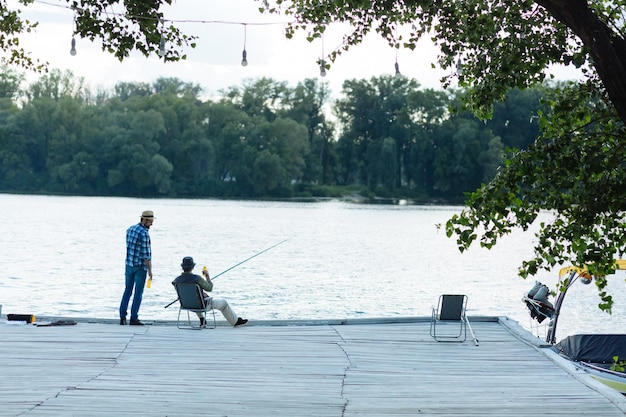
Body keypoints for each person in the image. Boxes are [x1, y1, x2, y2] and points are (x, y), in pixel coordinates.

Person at [172, 256, 248, 327]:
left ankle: (202, 319)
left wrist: (200, 294)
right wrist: (207, 276)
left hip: (186, 305)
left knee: (194, 298)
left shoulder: (176, 281)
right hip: (201, 305)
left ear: (182, 267)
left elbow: (185, 293)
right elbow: (209, 288)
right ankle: (235, 322)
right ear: (193, 267)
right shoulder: (197, 278)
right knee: (224, 303)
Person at [119, 210, 154, 325]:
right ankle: (134, 318)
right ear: (144, 220)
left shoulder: (130, 229)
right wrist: (150, 271)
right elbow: (146, 255)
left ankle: (122, 317)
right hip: (140, 267)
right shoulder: (144, 233)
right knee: (138, 293)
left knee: (127, 290)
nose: (152, 224)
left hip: (129, 265)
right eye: (150, 221)